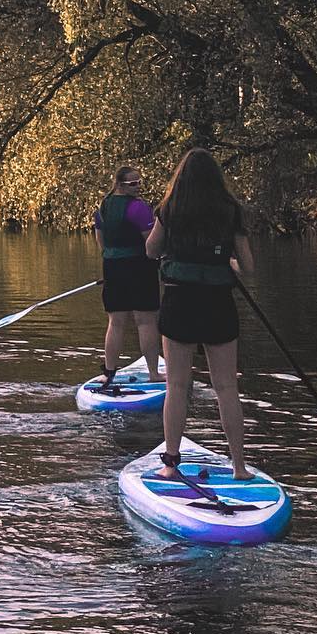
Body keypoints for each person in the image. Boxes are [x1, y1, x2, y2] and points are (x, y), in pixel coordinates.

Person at [145, 147, 255, 481]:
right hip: (218, 305)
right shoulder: (230, 210)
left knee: (177, 386)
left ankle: (170, 465)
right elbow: (248, 267)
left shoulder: (170, 208)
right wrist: (230, 263)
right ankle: (239, 467)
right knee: (226, 388)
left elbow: (151, 249)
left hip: (180, 304)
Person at [93, 163, 161, 388]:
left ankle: (109, 372)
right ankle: (153, 373)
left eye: (139, 182)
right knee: (145, 321)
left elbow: (101, 242)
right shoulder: (139, 208)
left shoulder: (102, 207)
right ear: (120, 185)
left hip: (112, 268)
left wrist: (113, 261)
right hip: (140, 268)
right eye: (133, 183)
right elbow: (151, 243)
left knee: (116, 322)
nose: (138, 187)